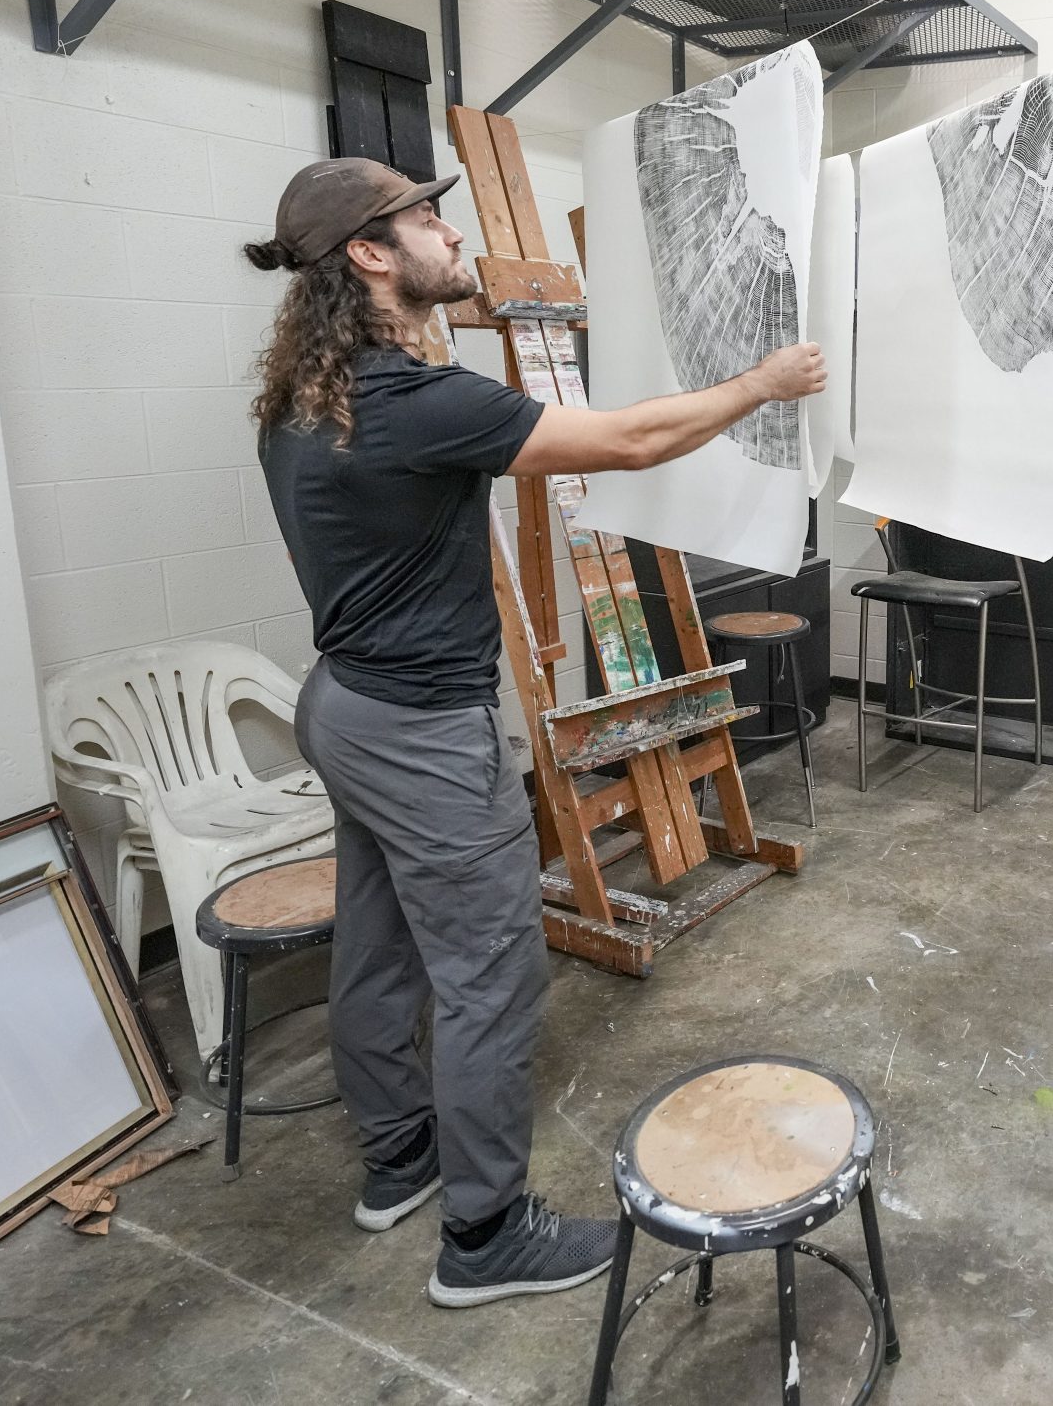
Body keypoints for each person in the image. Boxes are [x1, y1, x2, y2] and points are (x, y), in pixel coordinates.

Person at [245, 158, 825, 1307]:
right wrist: (760, 382)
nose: (453, 235)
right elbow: (629, 445)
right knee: (490, 972)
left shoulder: (315, 395)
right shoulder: (413, 405)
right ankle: (485, 1235)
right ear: (369, 254)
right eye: (427, 220)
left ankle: (399, 1159)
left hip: (345, 707)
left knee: (378, 940)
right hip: (416, 729)